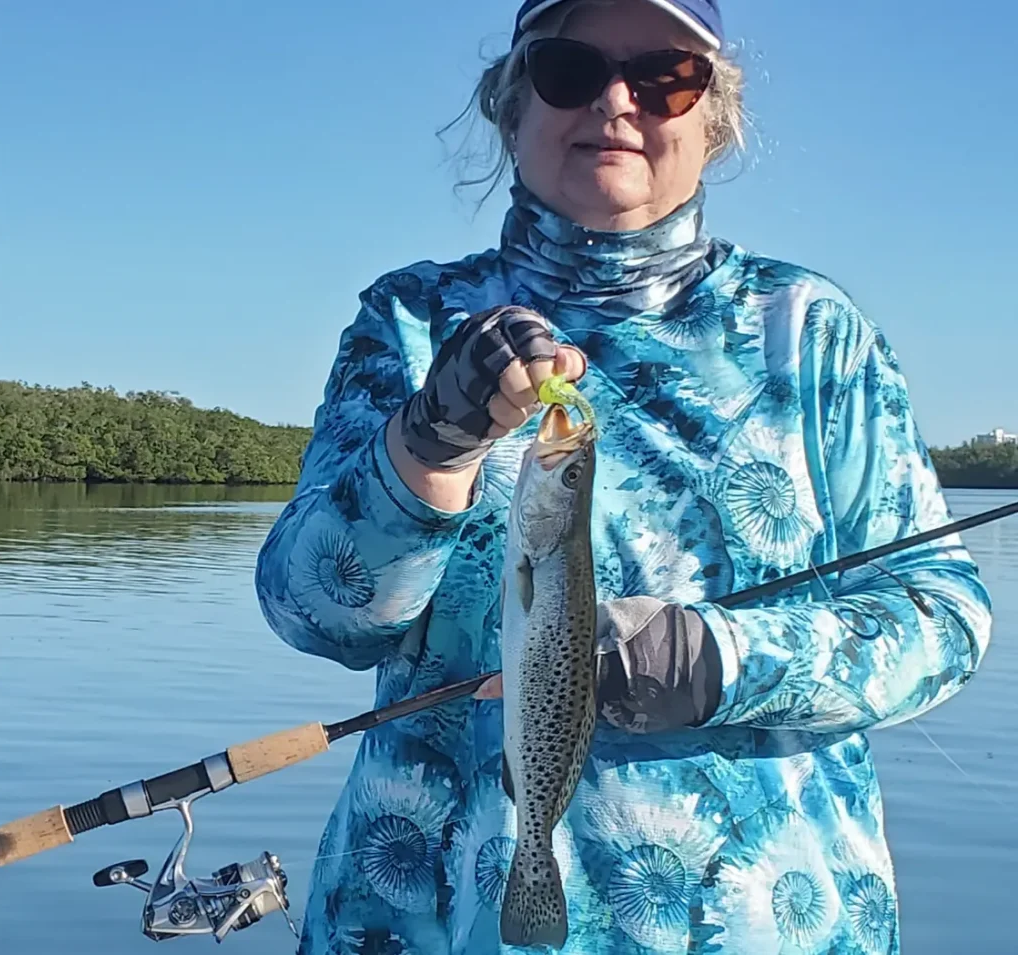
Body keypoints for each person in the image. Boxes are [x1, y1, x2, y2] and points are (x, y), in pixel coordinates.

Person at [255, 1, 993, 952]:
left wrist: (724, 660)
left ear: (712, 118)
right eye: (569, 69)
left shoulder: (810, 332)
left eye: (663, 77)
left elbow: (945, 615)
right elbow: (312, 613)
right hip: (430, 915)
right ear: (511, 106)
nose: (615, 102)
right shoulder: (411, 320)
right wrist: (428, 441)